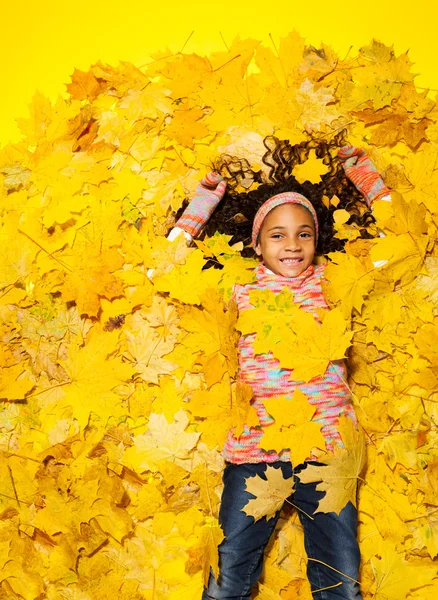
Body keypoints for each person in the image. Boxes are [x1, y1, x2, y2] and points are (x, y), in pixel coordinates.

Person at [166, 136, 391, 600]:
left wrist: (359, 170)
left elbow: (399, 237)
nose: (292, 244)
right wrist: (206, 200)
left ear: (316, 239)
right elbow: (165, 263)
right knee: (227, 582)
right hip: (255, 452)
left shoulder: (336, 283)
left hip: (327, 453)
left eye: (303, 233)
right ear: (257, 244)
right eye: (278, 234)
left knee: (340, 586)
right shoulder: (240, 292)